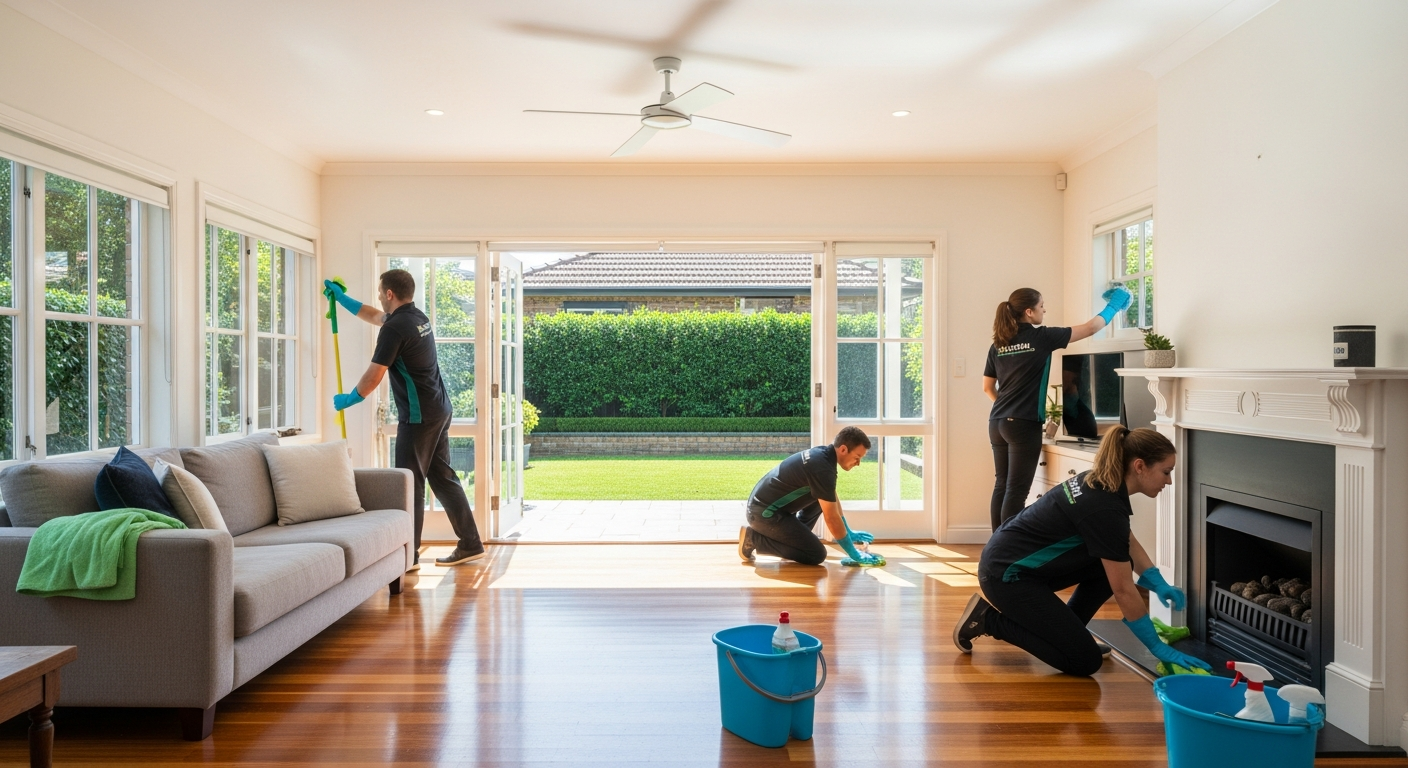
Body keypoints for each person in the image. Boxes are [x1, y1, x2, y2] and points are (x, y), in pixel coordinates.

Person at [952, 426, 1211, 677]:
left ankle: (1068, 637)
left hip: (1009, 562)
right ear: (1140, 466)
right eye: (1166, 472)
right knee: (1085, 661)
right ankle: (987, 620)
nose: (1169, 480)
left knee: (1118, 562)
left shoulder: (1101, 482)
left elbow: (1124, 540)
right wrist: (1158, 648)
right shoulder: (1104, 507)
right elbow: (1122, 589)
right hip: (1006, 577)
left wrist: (1157, 583)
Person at [325, 269, 485, 569]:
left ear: (389, 294)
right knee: (442, 477)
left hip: (419, 416)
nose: (377, 296)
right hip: (438, 407)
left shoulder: (395, 329)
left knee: (409, 483)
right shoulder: (416, 318)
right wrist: (342, 299)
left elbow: (374, 377)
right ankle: (471, 543)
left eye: (379, 291)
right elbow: (374, 316)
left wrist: (351, 398)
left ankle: (408, 556)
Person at [983, 286, 1132, 531]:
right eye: (1042, 306)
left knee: (1001, 485)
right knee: (1016, 491)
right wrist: (1115, 305)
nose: (1045, 310)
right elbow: (1091, 327)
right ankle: (1007, 551)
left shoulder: (999, 344)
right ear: (1029, 312)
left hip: (997, 422)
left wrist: (1007, 409)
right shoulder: (1040, 337)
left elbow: (987, 387)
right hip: (1022, 424)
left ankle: (995, 549)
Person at [737, 427, 883, 567]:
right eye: (857, 457)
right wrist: (853, 552)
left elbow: (830, 496)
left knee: (822, 499)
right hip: (764, 514)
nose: (858, 463)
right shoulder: (822, 468)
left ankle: (791, 543)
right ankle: (754, 539)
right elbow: (831, 518)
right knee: (816, 554)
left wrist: (848, 532)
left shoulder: (823, 456)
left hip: (769, 509)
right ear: (843, 449)